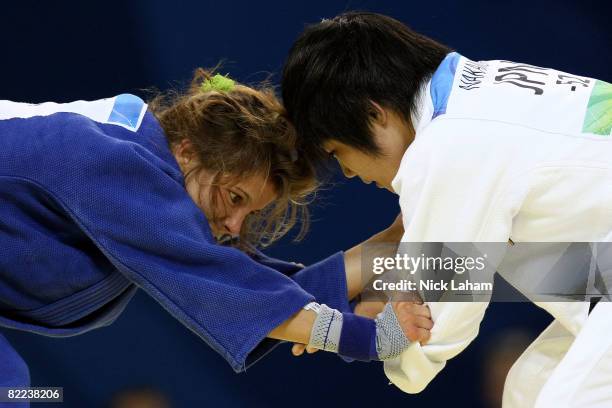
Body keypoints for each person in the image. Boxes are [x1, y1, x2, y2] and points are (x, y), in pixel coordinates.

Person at [0, 69, 433, 402]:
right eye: (234, 197)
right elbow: (234, 293)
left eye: (249, 211)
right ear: (187, 149)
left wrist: (402, 239)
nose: (234, 225)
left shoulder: (142, 161)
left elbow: (264, 291)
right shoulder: (113, 159)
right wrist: (372, 338)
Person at [281, 11, 612, 408]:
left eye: (338, 152)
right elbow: (520, 264)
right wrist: (396, 286)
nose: (350, 172)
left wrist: (350, 332)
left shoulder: (445, 149)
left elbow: (440, 328)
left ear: (373, 114)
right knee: (529, 390)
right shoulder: (479, 88)